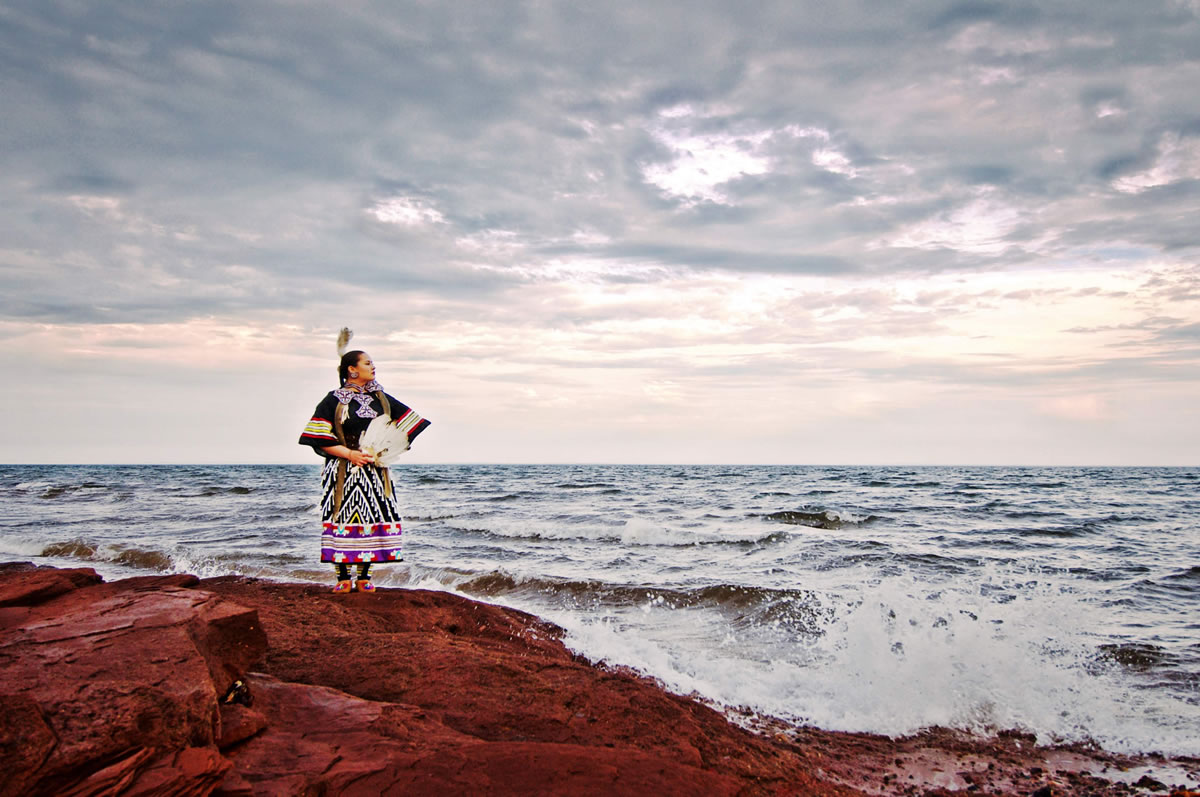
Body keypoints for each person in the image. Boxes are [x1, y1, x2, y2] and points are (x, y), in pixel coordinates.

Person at [298, 338, 430, 593]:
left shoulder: (381, 398)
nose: (373, 367)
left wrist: (388, 447)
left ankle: (365, 577)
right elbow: (317, 436)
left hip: (374, 471)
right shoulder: (334, 400)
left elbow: (409, 424)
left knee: (372, 517)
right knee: (342, 517)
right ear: (352, 369)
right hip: (342, 470)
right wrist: (349, 454)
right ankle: (342, 578)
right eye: (368, 362)